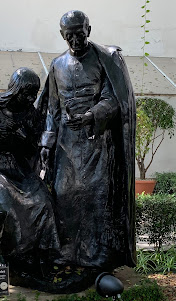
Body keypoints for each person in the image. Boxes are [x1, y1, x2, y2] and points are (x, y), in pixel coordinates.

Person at [40, 10, 136, 271]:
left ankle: (97, 253)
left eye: (79, 35)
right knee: (63, 193)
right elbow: (52, 108)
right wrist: (47, 143)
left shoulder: (105, 59)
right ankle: (68, 251)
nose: (75, 41)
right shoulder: (57, 65)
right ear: (62, 35)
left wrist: (90, 116)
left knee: (96, 195)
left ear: (89, 30)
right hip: (65, 144)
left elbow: (114, 100)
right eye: (69, 36)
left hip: (97, 141)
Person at [0, 67, 60, 261]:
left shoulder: (31, 114)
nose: (30, 99)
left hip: (17, 168)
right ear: (15, 89)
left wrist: (24, 139)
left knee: (44, 202)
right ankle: (6, 254)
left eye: (33, 94)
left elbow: (32, 149)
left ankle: (39, 254)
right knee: (5, 207)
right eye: (26, 94)